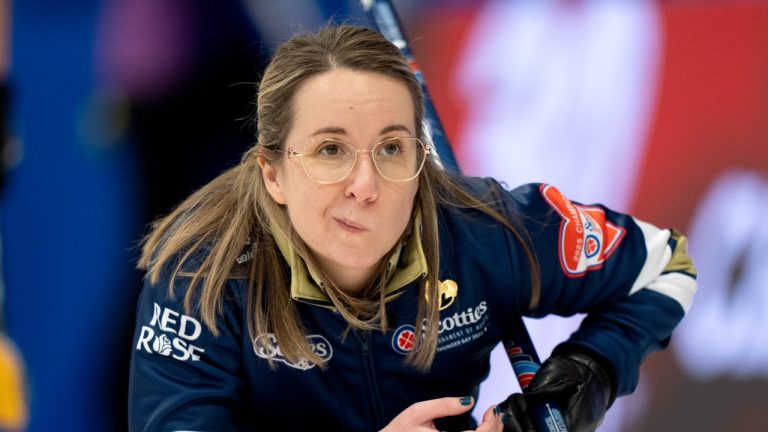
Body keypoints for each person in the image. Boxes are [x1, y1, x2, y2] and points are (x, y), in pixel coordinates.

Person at [128, 25, 697, 432]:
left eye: (392, 148)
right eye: (331, 149)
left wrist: (575, 390)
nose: (365, 184)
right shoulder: (201, 273)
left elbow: (665, 265)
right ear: (273, 173)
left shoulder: (483, 233)